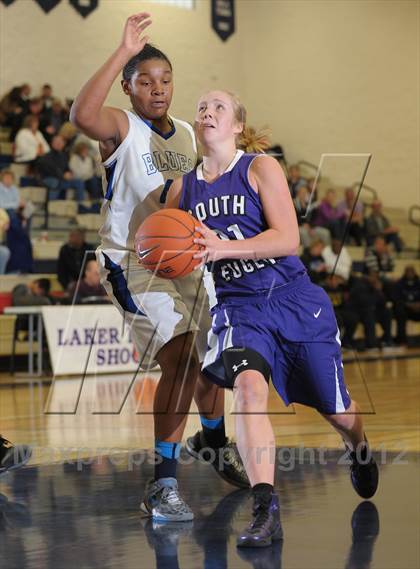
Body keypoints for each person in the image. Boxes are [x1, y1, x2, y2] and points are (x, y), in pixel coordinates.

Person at [166, 89, 379, 546]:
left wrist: (221, 247)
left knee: (339, 413)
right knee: (246, 389)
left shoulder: (260, 167)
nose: (208, 112)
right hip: (238, 307)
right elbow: (169, 248)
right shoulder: (183, 189)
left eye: (219, 107)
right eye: (202, 107)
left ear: (238, 125)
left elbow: (287, 239)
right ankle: (266, 508)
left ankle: (358, 447)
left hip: (292, 299)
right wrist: (161, 254)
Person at [70, 12, 248, 522]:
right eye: (144, 81)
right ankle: (162, 485)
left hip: (188, 259)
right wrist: (123, 51)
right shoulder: (121, 128)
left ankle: (212, 438)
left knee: (214, 357)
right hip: (135, 262)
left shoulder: (191, 134)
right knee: (181, 359)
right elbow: (82, 115)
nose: (158, 89)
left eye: (165, 80)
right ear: (128, 88)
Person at [36, 135, 85, 201]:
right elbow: (50, 170)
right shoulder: (46, 157)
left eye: (60, 142)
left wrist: (70, 173)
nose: (59, 144)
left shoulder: (63, 156)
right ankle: (51, 205)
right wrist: (62, 175)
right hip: (49, 179)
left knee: (79, 182)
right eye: (57, 142)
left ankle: (80, 205)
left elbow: (66, 168)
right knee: (55, 182)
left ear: (63, 144)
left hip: (62, 180)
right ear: (52, 143)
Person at [394, 266, 420, 345]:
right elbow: (396, 299)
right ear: (405, 273)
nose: (410, 274)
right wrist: (409, 305)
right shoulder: (399, 283)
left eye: (411, 272)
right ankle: (402, 340)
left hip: (417, 309)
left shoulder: (418, 283)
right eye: (408, 272)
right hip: (405, 309)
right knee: (400, 312)